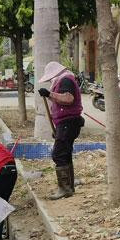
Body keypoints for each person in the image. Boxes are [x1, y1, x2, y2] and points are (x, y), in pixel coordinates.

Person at [37, 61, 84, 200]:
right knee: (65, 153)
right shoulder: (62, 80)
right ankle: (68, 185)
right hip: (65, 124)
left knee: (58, 154)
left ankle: (65, 188)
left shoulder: (65, 80)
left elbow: (68, 99)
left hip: (68, 123)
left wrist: (49, 94)